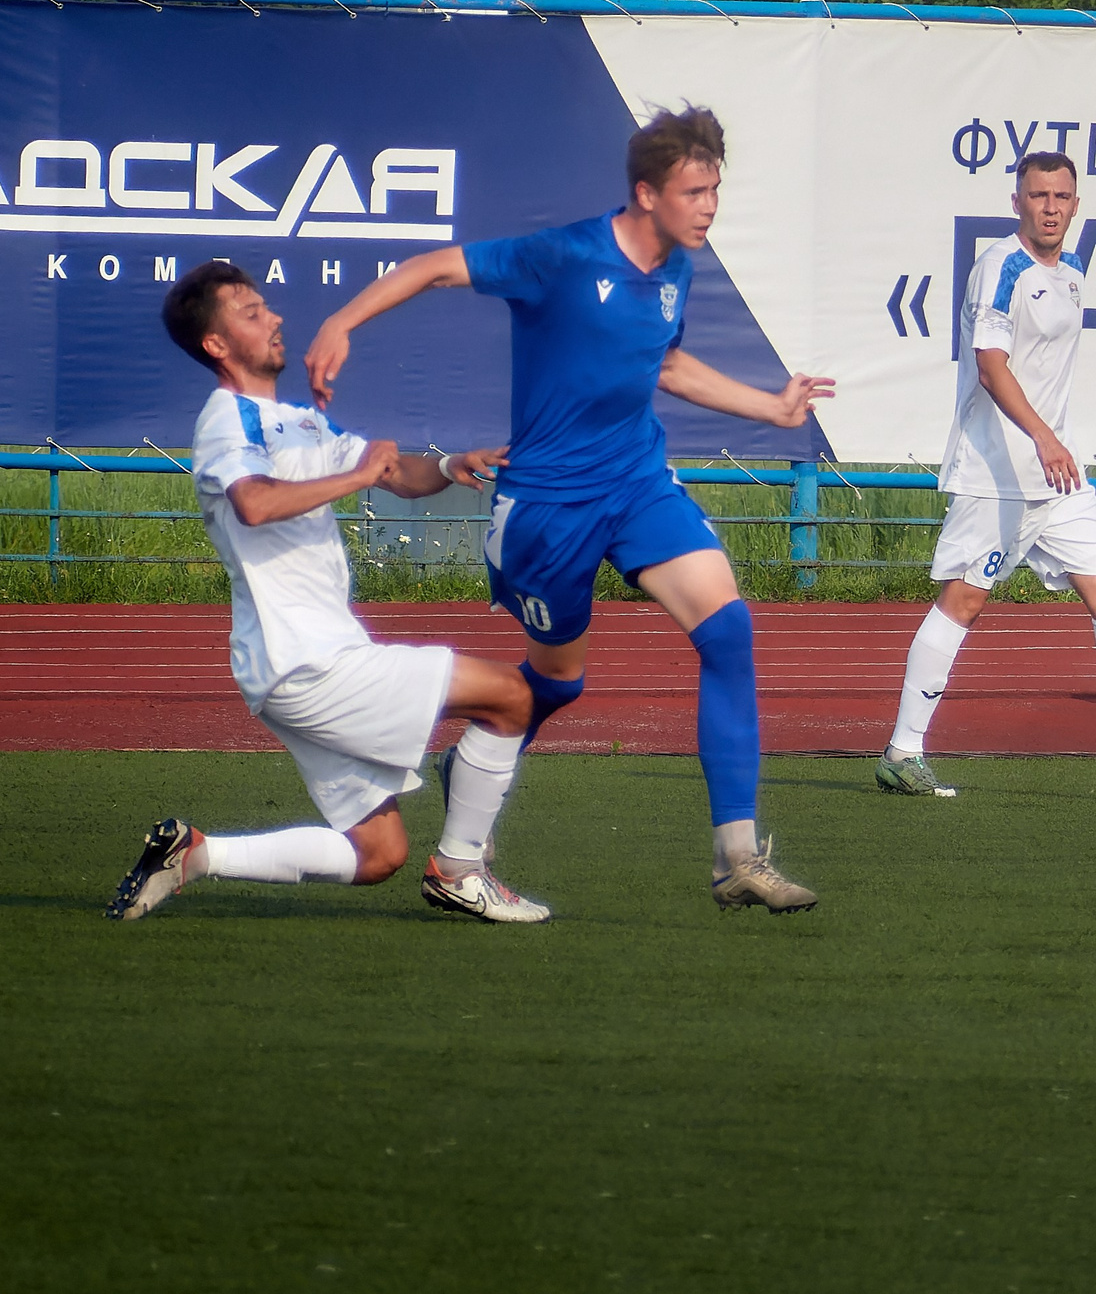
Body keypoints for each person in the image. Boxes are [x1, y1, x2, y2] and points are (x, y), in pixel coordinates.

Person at [303, 107, 834, 913]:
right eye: (694, 192)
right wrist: (341, 321)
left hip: (638, 483)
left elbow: (665, 364)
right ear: (647, 193)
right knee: (556, 684)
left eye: (715, 190)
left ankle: (736, 857)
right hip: (549, 507)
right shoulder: (564, 255)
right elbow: (436, 268)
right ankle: (475, 751)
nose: (709, 207)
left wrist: (773, 407)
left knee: (728, 630)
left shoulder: (679, 268)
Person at [109, 261, 547, 924]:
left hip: (299, 663)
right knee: (512, 696)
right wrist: (359, 478)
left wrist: (450, 464)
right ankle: (461, 872)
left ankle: (197, 854)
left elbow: (393, 472)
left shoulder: (299, 422)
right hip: (305, 661)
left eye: (265, 306)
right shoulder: (228, 420)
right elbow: (255, 503)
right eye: (251, 313)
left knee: (378, 854)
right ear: (216, 344)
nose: (274, 317)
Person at [875, 151, 1096, 802]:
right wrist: (1042, 437)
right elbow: (991, 366)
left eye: (1060, 196)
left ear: (1075, 205)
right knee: (964, 601)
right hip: (997, 473)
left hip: (1058, 478)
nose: (1049, 207)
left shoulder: (1071, 275)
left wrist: (1054, 443)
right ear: (1017, 202)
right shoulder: (1000, 267)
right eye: (1038, 195)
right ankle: (902, 751)